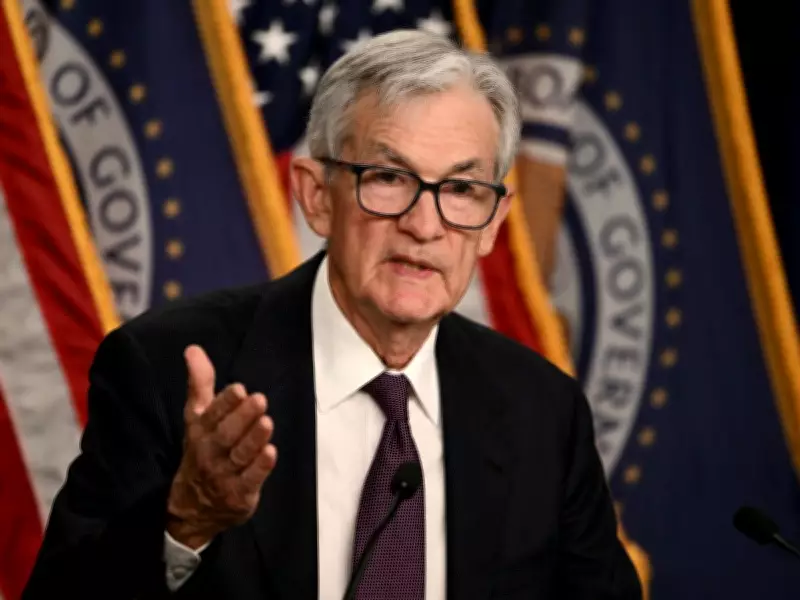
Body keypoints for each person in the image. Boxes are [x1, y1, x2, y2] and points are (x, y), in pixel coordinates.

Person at [22, 29, 641, 600]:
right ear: (317, 197)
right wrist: (186, 518)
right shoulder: (165, 370)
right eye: (389, 177)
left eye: (460, 190)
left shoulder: (543, 412)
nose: (424, 225)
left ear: (492, 224)